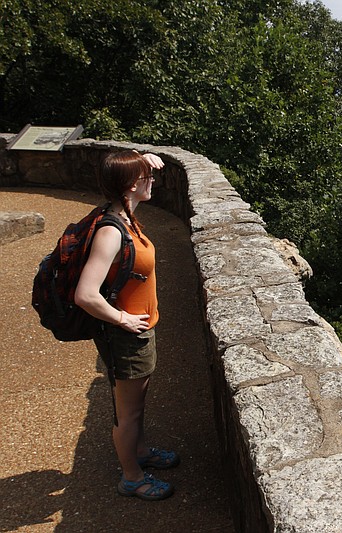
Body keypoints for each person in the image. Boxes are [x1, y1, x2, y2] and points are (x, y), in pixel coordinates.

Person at [75, 149, 179, 501]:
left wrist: (141, 158)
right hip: (126, 336)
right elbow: (85, 294)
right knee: (128, 411)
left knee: (137, 402)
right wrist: (121, 318)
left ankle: (141, 451)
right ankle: (132, 477)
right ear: (131, 184)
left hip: (138, 331)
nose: (153, 180)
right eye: (147, 177)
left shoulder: (125, 215)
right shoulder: (112, 231)